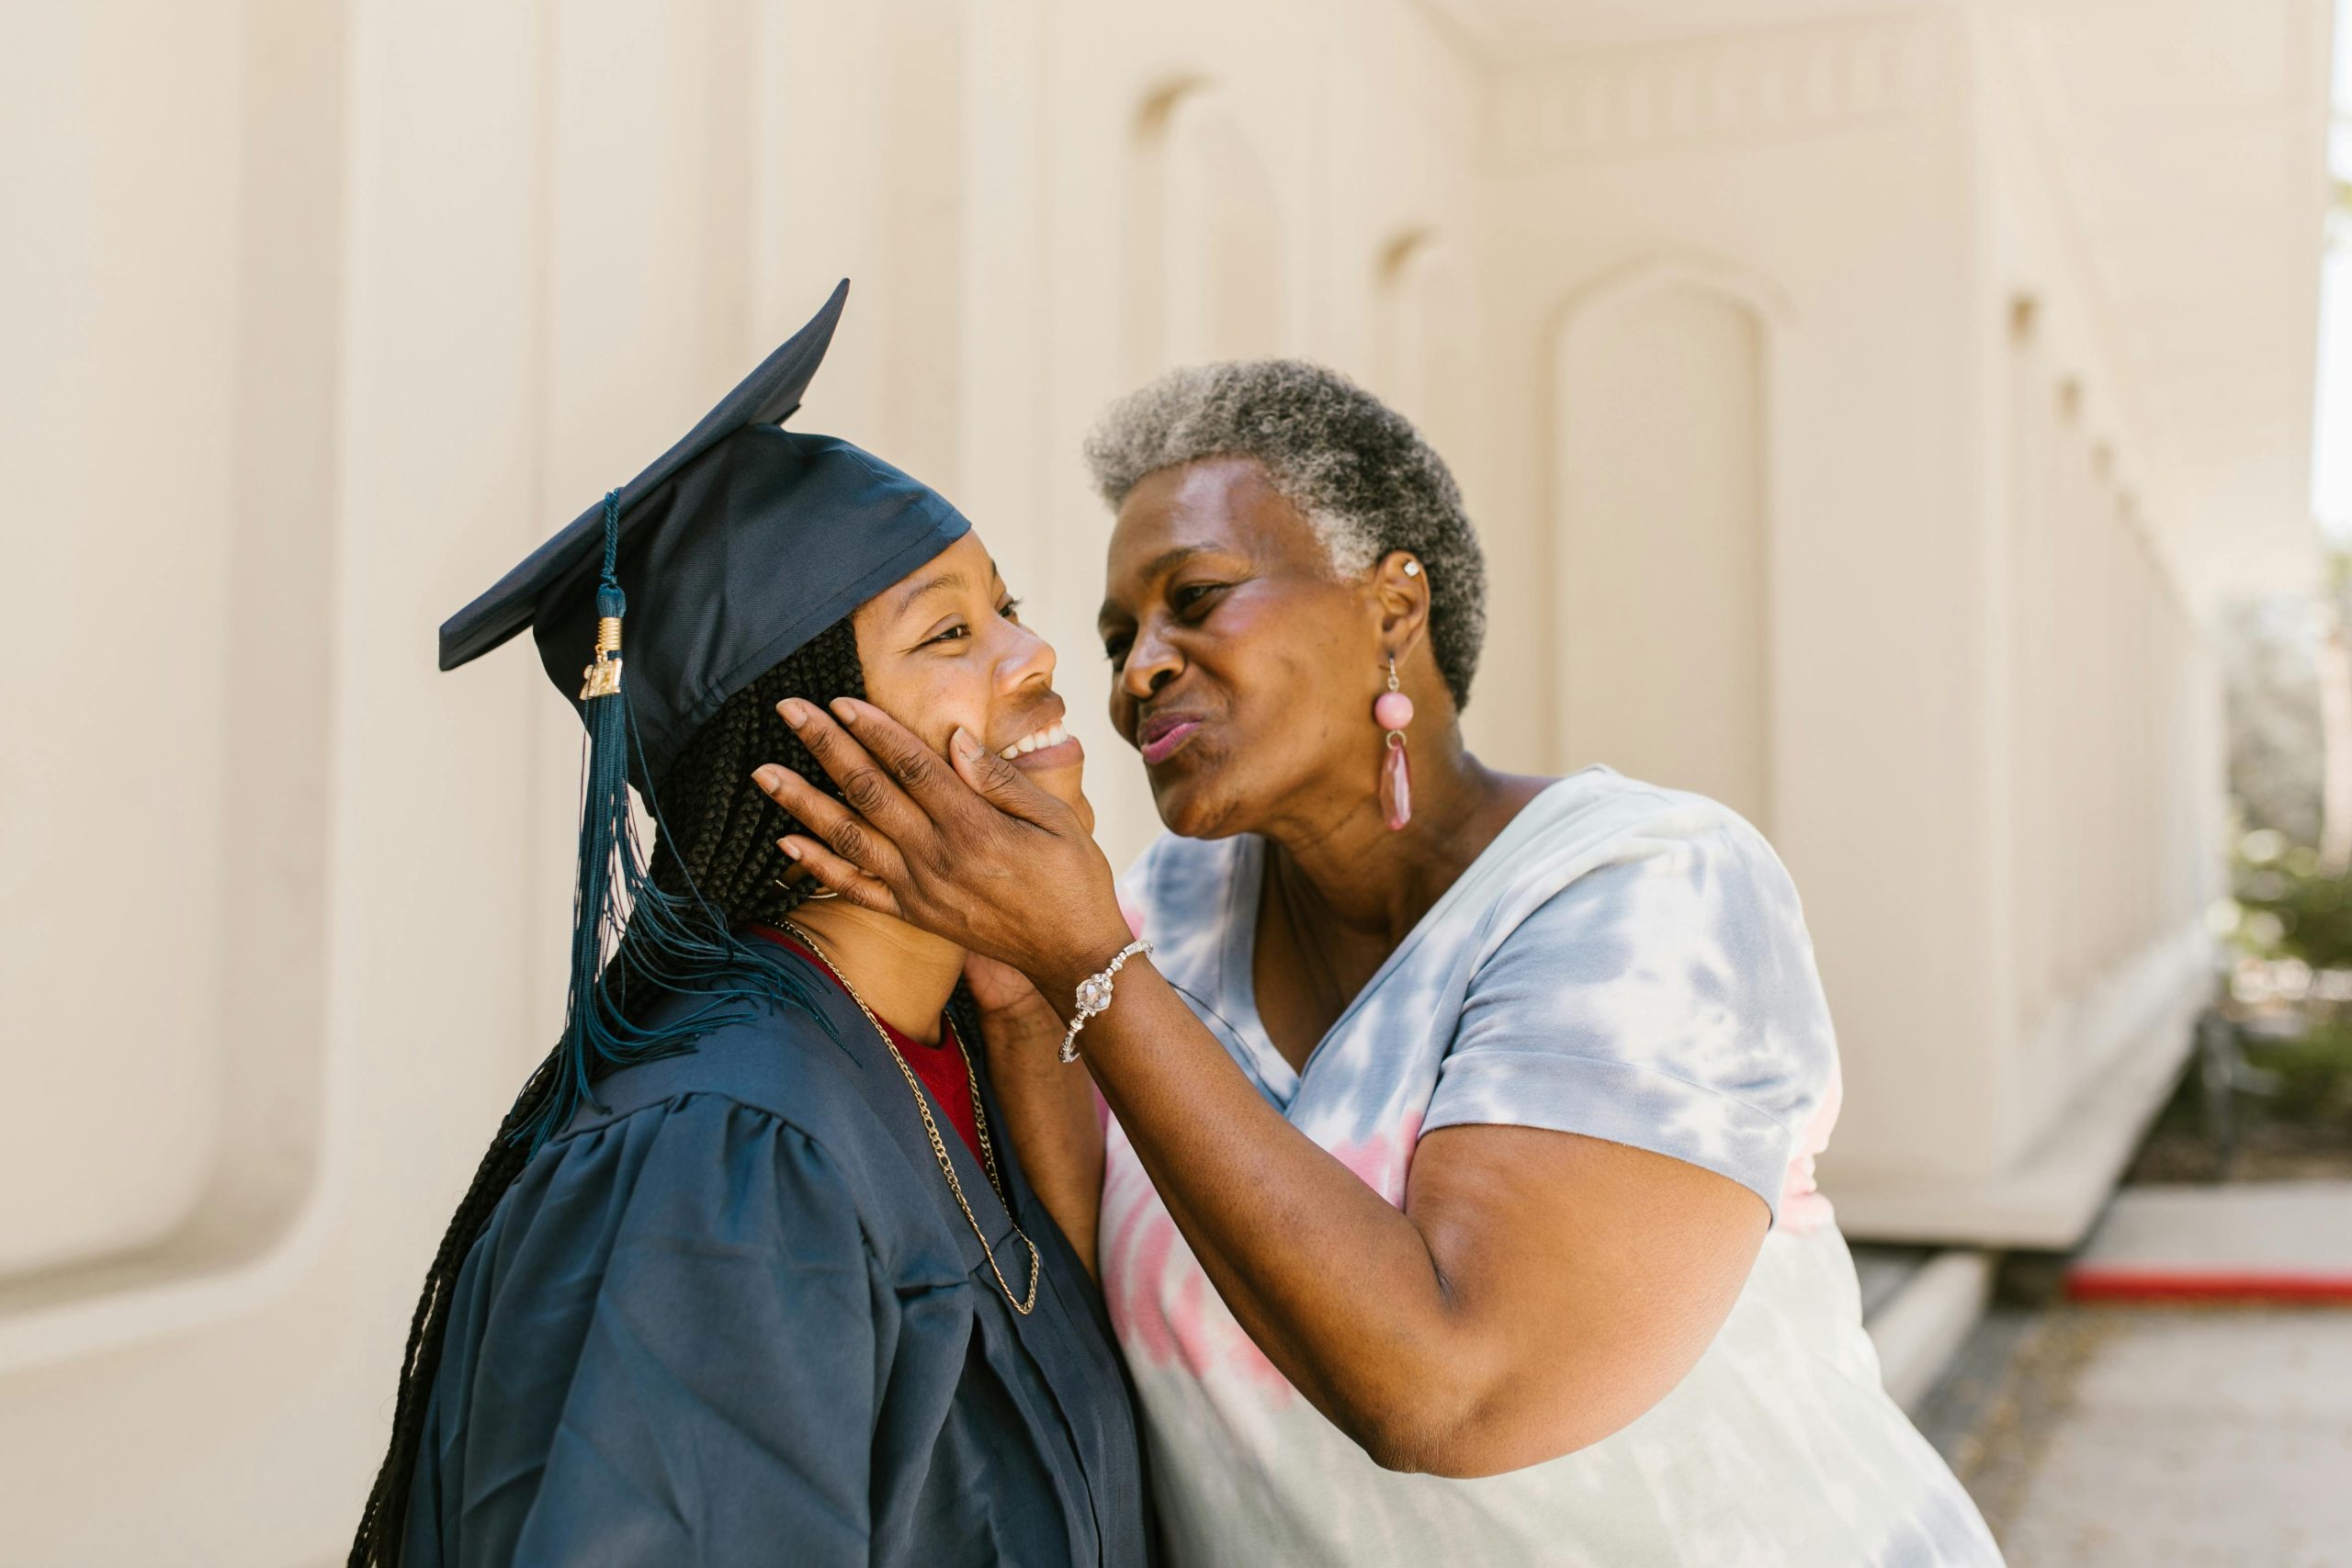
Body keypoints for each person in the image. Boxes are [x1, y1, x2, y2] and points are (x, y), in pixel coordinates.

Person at [752, 360, 2005, 1565]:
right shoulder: (1162, 918)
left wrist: (1082, 958)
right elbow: (1107, 1267)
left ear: (1393, 606)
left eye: (1194, 599)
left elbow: (1451, 1392)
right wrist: (1022, 984)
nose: (1136, 675)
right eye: (1120, 634)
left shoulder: (1642, 889)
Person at [349, 283, 1148, 1568]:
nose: (1039, 653)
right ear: (804, 754)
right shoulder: (728, 1155)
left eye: (1007, 603)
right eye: (950, 631)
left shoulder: (951, 1052)